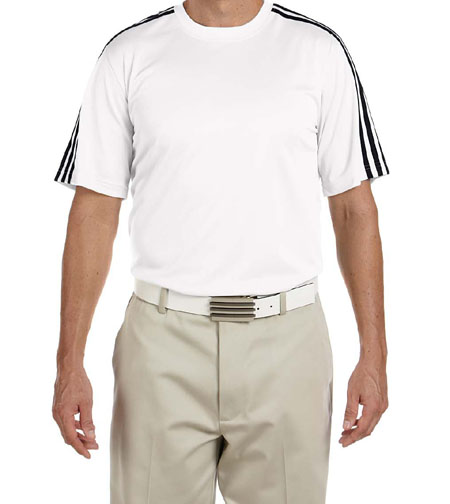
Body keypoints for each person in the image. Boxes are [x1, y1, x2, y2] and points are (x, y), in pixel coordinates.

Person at [52, 1, 389, 502]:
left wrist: (375, 356)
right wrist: (69, 364)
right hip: (160, 348)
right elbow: (93, 212)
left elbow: (353, 211)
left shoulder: (319, 51)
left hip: (288, 348)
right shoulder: (128, 54)